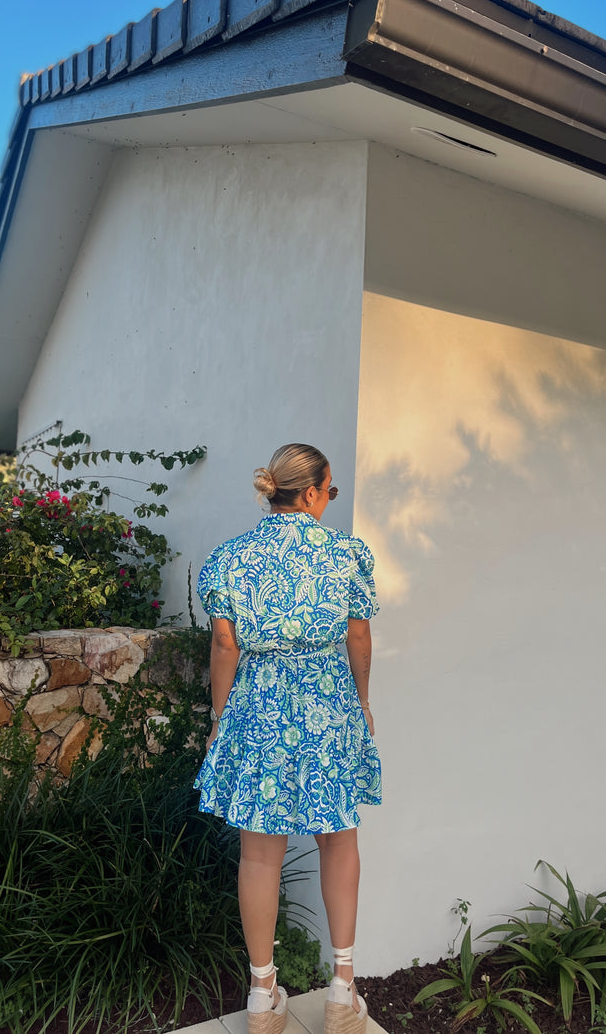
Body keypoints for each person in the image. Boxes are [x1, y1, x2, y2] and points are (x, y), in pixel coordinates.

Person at [194, 443, 381, 1034]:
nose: (331, 499)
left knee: (258, 853)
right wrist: (363, 700)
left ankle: (261, 995)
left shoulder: (230, 557)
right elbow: (358, 638)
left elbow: (225, 645)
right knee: (338, 839)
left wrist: (222, 717)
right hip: (327, 700)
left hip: (258, 702)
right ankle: (342, 990)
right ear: (310, 492)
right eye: (330, 490)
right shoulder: (347, 554)